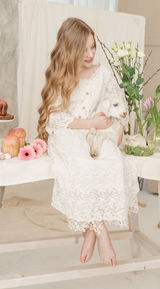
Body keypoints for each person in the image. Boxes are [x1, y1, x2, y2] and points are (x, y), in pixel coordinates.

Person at [37, 18, 139, 267]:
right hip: (69, 134)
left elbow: (120, 106)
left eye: (93, 47)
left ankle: (89, 232)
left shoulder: (102, 74)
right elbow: (57, 119)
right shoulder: (62, 75)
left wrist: (115, 129)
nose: (91, 53)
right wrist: (90, 123)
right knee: (81, 164)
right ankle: (101, 232)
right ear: (70, 49)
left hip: (95, 134)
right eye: (84, 48)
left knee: (112, 160)